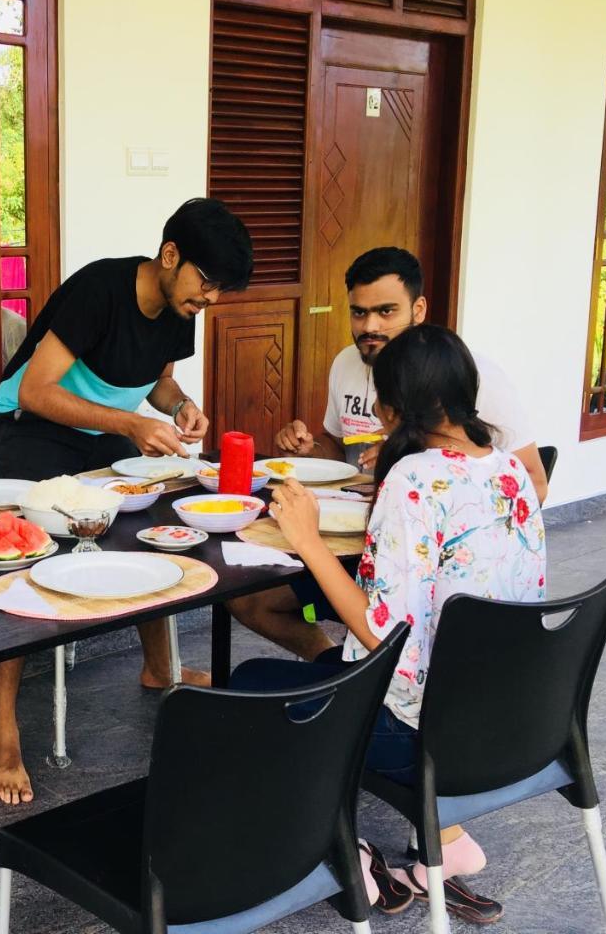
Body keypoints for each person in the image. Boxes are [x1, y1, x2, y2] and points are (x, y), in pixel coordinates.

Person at [230, 325, 546, 924]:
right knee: (322, 673)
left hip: (429, 737)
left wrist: (305, 538)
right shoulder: (510, 472)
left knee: (250, 689)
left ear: (397, 407)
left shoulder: (415, 481)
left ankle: (343, 853)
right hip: (506, 721)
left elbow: (382, 637)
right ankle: (444, 847)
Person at [0, 198, 255, 805]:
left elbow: (156, 380)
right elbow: (36, 388)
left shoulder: (181, 306)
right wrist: (131, 426)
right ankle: (4, 730)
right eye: (206, 283)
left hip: (98, 429)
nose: (210, 300)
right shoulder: (100, 288)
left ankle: (160, 667)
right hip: (32, 424)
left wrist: (179, 403)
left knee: (150, 524)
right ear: (170, 255)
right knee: (26, 558)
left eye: (220, 291)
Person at [230, 246, 548, 661]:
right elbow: (337, 448)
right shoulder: (348, 366)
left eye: (386, 311)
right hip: (470, 652)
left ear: (418, 309)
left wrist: (311, 538)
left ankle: (350, 691)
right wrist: (313, 451)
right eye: (359, 313)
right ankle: (337, 673)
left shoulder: (463, 383)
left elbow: (389, 635)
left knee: (250, 679)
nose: (370, 326)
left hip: (412, 620)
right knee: (250, 598)